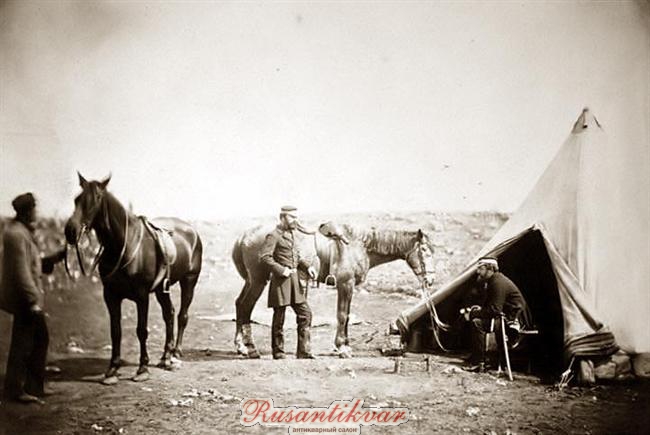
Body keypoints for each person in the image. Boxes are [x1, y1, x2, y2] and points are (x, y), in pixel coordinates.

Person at [0, 193, 65, 403]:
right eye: (34, 208)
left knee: (37, 339)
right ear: (27, 211)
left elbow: (33, 264)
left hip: (26, 297)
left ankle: (33, 387)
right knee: (24, 342)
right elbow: (21, 272)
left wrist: (54, 258)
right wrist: (33, 300)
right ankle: (16, 390)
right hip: (24, 298)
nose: (37, 212)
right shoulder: (16, 234)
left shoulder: (21, 231)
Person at [259, 206, 317, 360]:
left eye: (296, 217)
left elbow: (296, 257)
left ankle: (303, 352)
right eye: (292, 217)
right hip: (281, 282)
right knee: (279, 317)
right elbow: (264, 257)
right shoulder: (273, 236)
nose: (295, 220)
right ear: (282, 217)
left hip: (294, 282)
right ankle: (278, 352)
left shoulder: (292, 234)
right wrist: (281, 270)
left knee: (305, 314)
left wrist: (308, 267)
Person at [463, 257, 530, 371]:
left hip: (515, 321)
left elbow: (494, 310)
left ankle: (479, 362)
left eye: (481, 269)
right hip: (506, 317)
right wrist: (478, 310)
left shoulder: (497, 282)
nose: (478, 272)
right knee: (476, 319)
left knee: (477, 323)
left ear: (490, 269)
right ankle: (477, 357)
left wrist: (473, 314)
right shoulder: (494, 280)